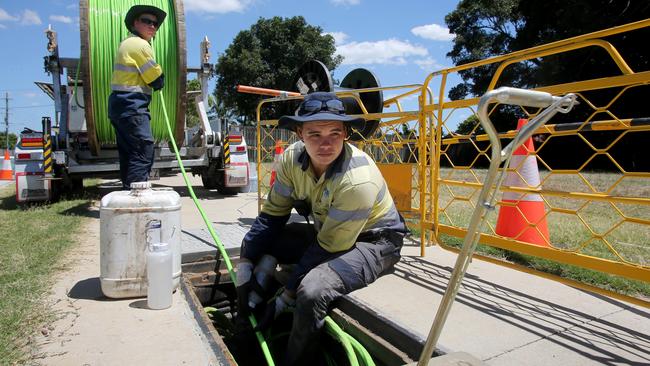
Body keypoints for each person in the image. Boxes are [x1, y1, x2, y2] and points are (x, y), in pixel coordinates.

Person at [236, 92, 408, 365]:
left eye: (334, 134)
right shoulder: (291, 160)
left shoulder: (357, 180)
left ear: (346, 134)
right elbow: (271, 216)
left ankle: (295, 360)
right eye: (315, 134)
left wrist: (284, 300)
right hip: (330, 232)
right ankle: (250, 306)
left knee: (312, 290)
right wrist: (244, 268)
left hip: (374, 243)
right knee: (261, 243)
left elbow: (328, 249)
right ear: (299, 133)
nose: (325, 144)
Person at [108, 5, 166, 190]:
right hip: (132, 104)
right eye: (147, 21)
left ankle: (127, 195)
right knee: (143, 149)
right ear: (135, 23)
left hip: (120, 105)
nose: (152, 26)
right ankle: (136, 199)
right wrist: (160, 78)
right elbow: (155, 79)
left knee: (129, 153)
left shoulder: (126, 43)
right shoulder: (139, 45)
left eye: (155, 24)